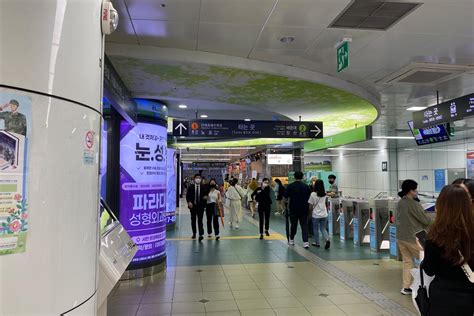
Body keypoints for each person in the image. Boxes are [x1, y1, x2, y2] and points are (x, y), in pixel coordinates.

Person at [421, 184, 474, 315]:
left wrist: (423, 251)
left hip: (443, 296)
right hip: (469, 296)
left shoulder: (435, 236)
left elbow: (429, 270)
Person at [396, 179, 432, 295]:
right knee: (427, 259)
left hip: (401, 237)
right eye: (415, 189)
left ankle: (406, 287)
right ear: (410, 190)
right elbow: (425, 220)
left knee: (407, 262)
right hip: (414, 238)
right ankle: (424, 286)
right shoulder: (413, 203)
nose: (416, 191)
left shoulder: (401, 202)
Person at [284, 171, 311, 248]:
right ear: (302, 177)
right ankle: (306, 242)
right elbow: (309, 198)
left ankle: (291, 239)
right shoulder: (306, 186)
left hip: (293, 209)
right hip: (304, 209)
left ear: (294, 177)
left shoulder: (290, 186)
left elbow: (285, 196)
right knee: (304, 225)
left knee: (293, 225)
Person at [308, 180, 330, 249]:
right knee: (323, 228)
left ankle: (317, 243)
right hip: (324, 214)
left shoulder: (313, 194)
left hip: (316, 215)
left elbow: (310, 206)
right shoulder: (324, 194)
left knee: (315, 229)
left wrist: (310, 212)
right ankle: (327, 239)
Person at [186, 174, 208, 241]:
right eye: (197, 178)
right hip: (193, 206)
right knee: (193, 220)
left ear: (200, 179)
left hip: (200, 206)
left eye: (199, 178)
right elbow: (187, 196)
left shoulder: (203, 187)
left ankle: (201, 234)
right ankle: (194, 233)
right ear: (194, 179)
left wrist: (206, 198)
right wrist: (189, 202)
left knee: (200, 220)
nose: (198, 179)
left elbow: (206, 195)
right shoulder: (191, 187)